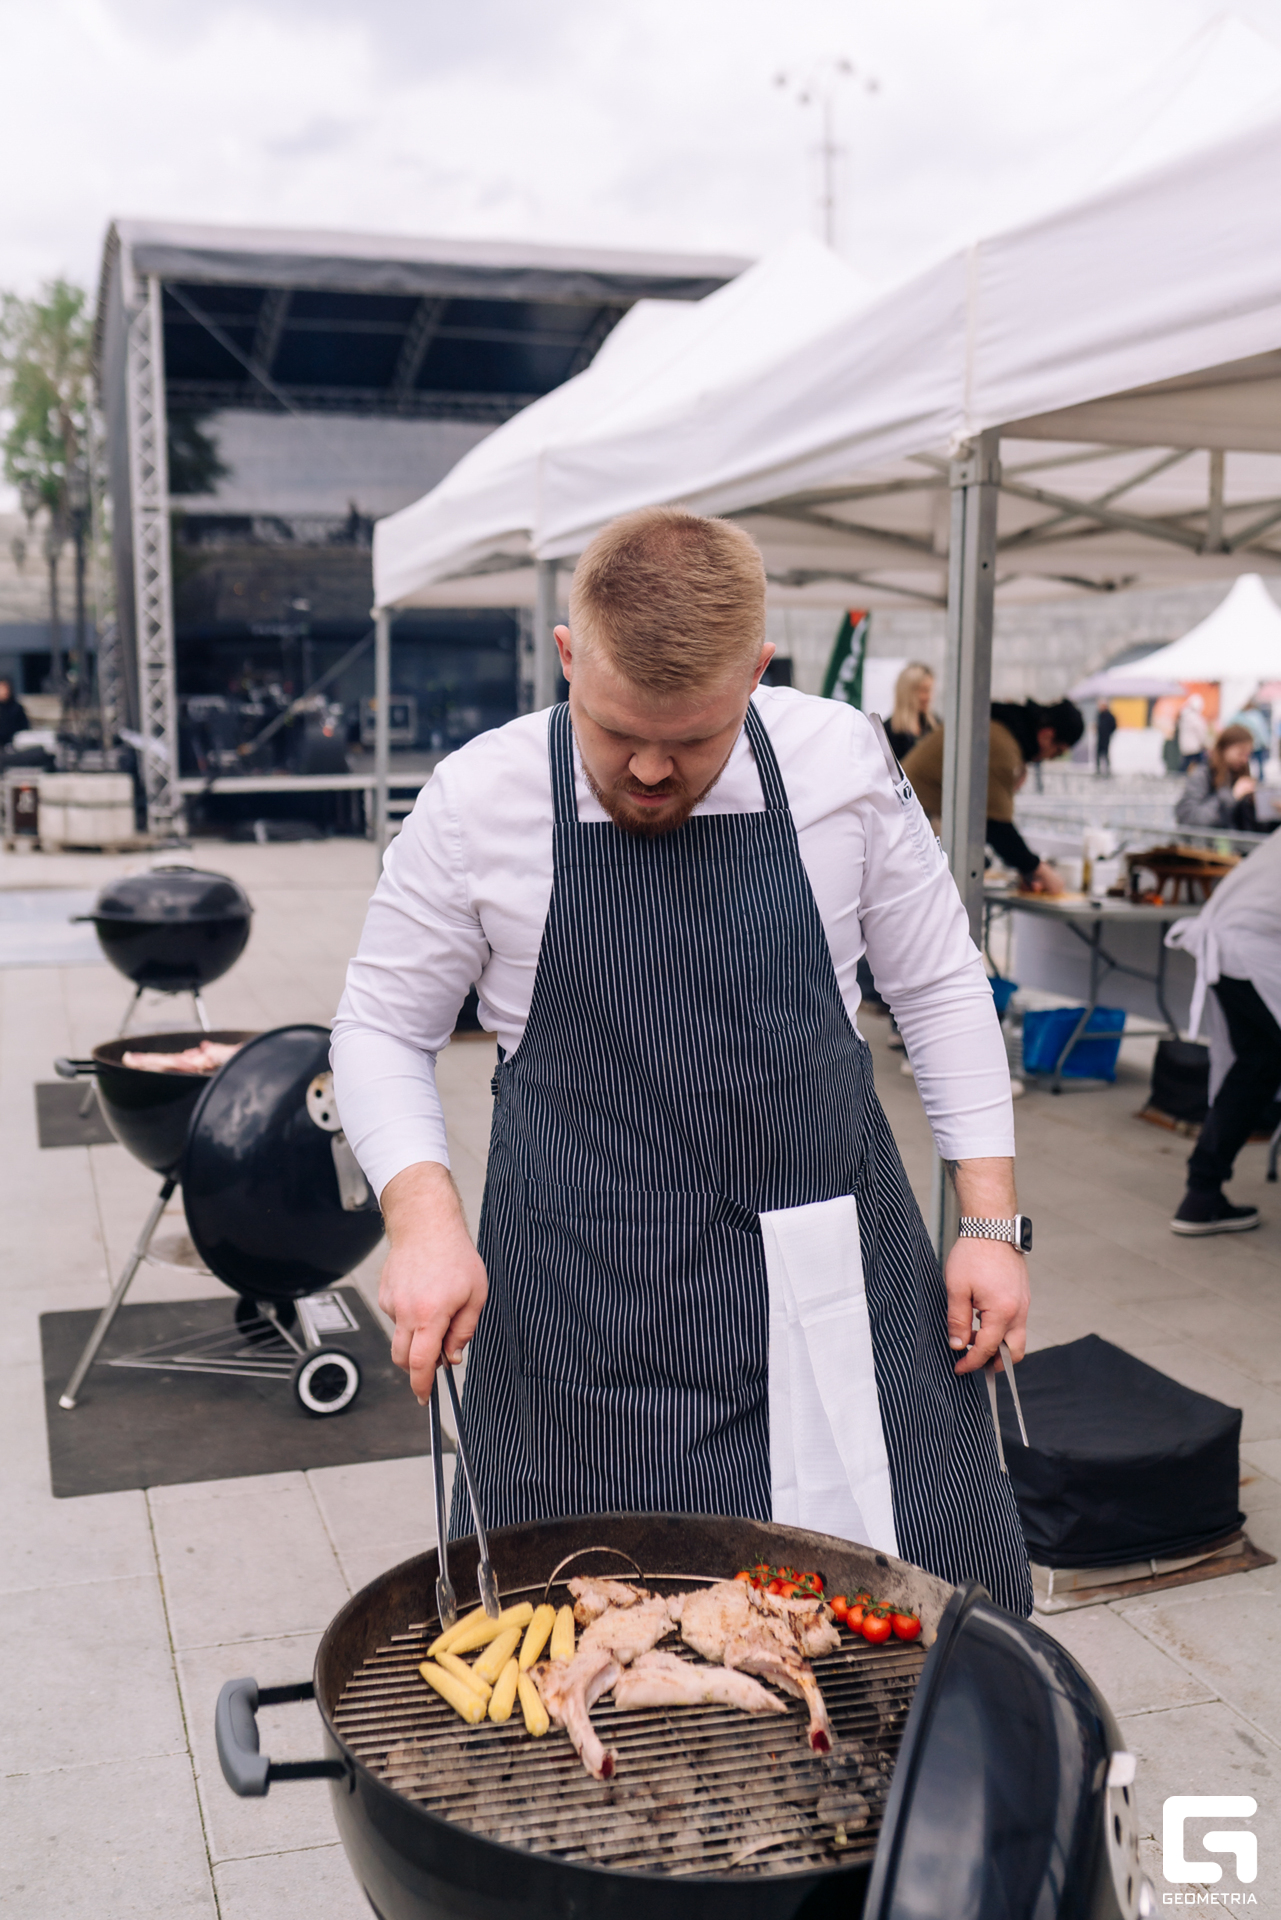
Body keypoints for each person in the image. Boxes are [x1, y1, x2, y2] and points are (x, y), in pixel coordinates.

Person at [333, 507, 1033, 1616]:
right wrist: (423, 1220)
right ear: (568, 656)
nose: (652, 770)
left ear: (756, 671)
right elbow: (378, 1027)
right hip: (580, 1303)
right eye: (617, 733)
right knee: (587, 1631)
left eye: (695, 739)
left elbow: (942, 983)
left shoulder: (840, 761)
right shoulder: (476, 801)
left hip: (831, 1274)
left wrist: (989, 1224)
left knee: (907, 1612)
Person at [1166, 829, 1281, 1234]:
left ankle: (1201, 1195)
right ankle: (1202, 1191)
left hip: (1233, 948)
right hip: (1250, 951)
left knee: (1258, 1065)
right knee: (1257, 1065)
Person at [900, 698, 1085, 895]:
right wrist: (1038, 870)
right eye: (1057, 752)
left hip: (911, 819)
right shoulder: (1002, 745)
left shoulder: (996, 729)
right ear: (1047, 736)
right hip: (913, 825)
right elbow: (996, 826)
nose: (1050, 758)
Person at [1175, 724, 1258, 832]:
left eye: (1247, 755)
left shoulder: (1239, 775)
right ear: (1225, 748)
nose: (1244, 760)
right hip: (1205, 841)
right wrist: (1232, 796)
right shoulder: (1203, 775)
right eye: (1240, 753)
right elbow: (1190, 818)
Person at [885, 661, 938, 763]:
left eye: (930, 690)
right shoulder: (887, 733)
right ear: (908, 692)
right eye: (924, 690)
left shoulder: (934, 726)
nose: (929, 697)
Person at [1177, 693, 1209, 770]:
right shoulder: (1195, 718)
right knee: (1199, 766)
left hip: (1184, 748)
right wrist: (1204, 743)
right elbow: (1201, 733)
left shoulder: (1184, 716)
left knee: (1185, 765)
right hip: (1194, 748)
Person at [0, 677, 30, 752]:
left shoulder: (16, 708)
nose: (4, 692)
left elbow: (24, 727)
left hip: (14, 744)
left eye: (5, 688)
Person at [1095, 700, 1117, 774]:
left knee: (1106, 753)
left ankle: (1107, 768)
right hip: (1100, 737)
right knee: (1098, 753)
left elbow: (1113, 726)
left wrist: (1108, 733)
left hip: (1106, 737)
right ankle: (1098, 768)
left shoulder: (1109, 716)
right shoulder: (1100, 715)